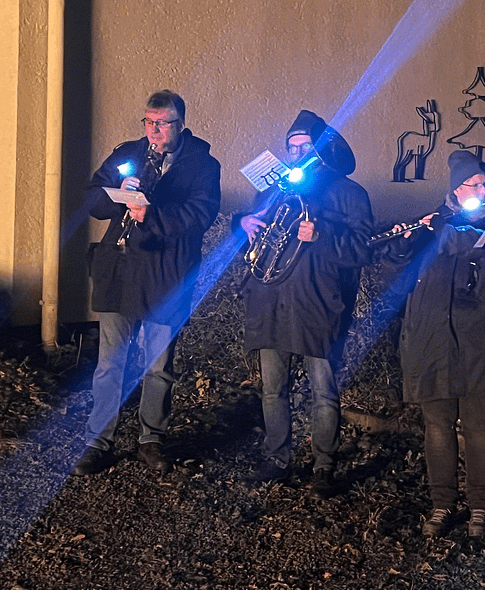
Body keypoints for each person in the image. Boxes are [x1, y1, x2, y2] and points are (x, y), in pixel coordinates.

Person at [72, 90, 221, 476]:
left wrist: (151, 215)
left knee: (158, 366)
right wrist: (118, 196)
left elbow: (200, 215)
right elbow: (93, 197)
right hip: (120, 272)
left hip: (165, 276)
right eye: (149, 122)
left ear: (180, 124)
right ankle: (97, 441)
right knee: (110, 363)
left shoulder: (203, 165)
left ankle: (151, 440)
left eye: (162, 124)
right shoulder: (129, 153)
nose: (154, 131)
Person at [384, 150, 485, 538]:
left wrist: (444, 232)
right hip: (433, 340)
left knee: (480, 427)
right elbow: (395, 273)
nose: (482, 190)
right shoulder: (432, 222)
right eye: (472, 184)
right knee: (438, 426)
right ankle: (441, 504)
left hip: (483, 343)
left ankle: (479, 508)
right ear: (455, 190)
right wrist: (402, 244)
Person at [239, 110, 373, 499]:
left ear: (323, 150)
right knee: (272, 390)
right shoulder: (275, 189)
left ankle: (324, 466)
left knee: (324, 392)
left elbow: (363, 249)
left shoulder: (351, 193)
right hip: (272, 301)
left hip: (319, 305)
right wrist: (243, 224)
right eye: (291, 147)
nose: (297, 154)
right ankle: (277, 459)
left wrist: (322, 235)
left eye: (305, 147)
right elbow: (255, 230)